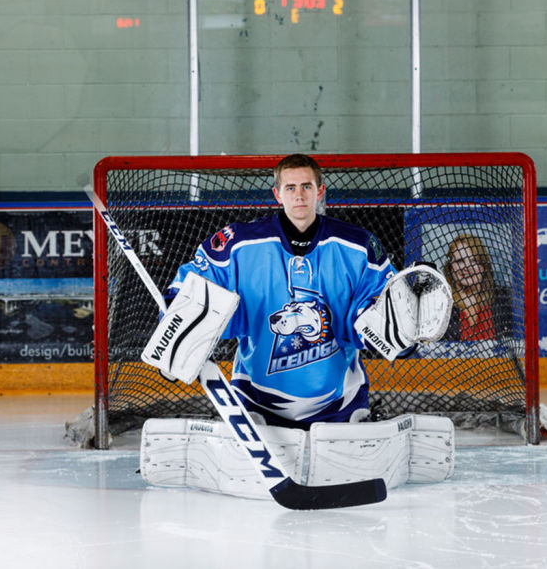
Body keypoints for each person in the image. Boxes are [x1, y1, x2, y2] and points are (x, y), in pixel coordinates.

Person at [138, 154, 456, 499]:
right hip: (256, 400)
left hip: (338, 401)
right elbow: (191, 287)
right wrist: (176, 333)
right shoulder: (239, 244)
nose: (299, 195)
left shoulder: (358, 245)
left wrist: (400, 330)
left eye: (306, 186)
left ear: (320, 191)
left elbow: (379, 313)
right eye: (290, 187)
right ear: (277, 194)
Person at [441, 234, 514, 347]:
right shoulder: (440, 304)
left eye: (474, 261)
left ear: (483, 266)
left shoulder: (504, 300)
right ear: (450, 267)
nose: (467, 267)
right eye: (460, 261)